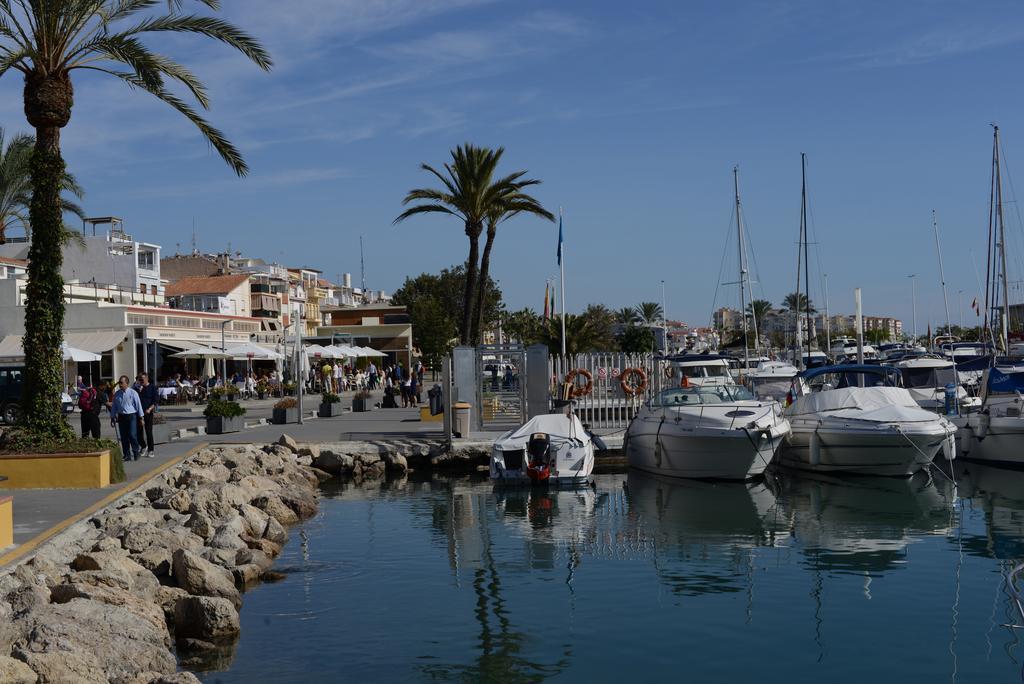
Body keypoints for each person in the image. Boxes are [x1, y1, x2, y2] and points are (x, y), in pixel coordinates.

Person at [110, 375, 142, 461]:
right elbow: (114, 407)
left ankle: (136, 452)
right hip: (121, 417)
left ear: (126, 383)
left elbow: (138, 405)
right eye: (119, 383)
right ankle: (126, 454)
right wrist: (112, 417)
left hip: (131, 416)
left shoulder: (133, 393)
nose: (120, 385)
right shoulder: (117, 394)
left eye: (121, 383)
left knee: (132, 435)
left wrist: (141, 418)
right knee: (124, 437)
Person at [135, 373, 158, 458]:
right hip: (138, 413)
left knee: (148, 432)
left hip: (147, 412)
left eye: (142, 379)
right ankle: (143, 446)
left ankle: (151, 450)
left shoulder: (152, 387)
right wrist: (139, 390)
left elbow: (155, 401)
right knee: (138, 432)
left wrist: (149, 409)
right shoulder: (137, 388)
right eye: (139, 379)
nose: (141, 381)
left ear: (147, 378)